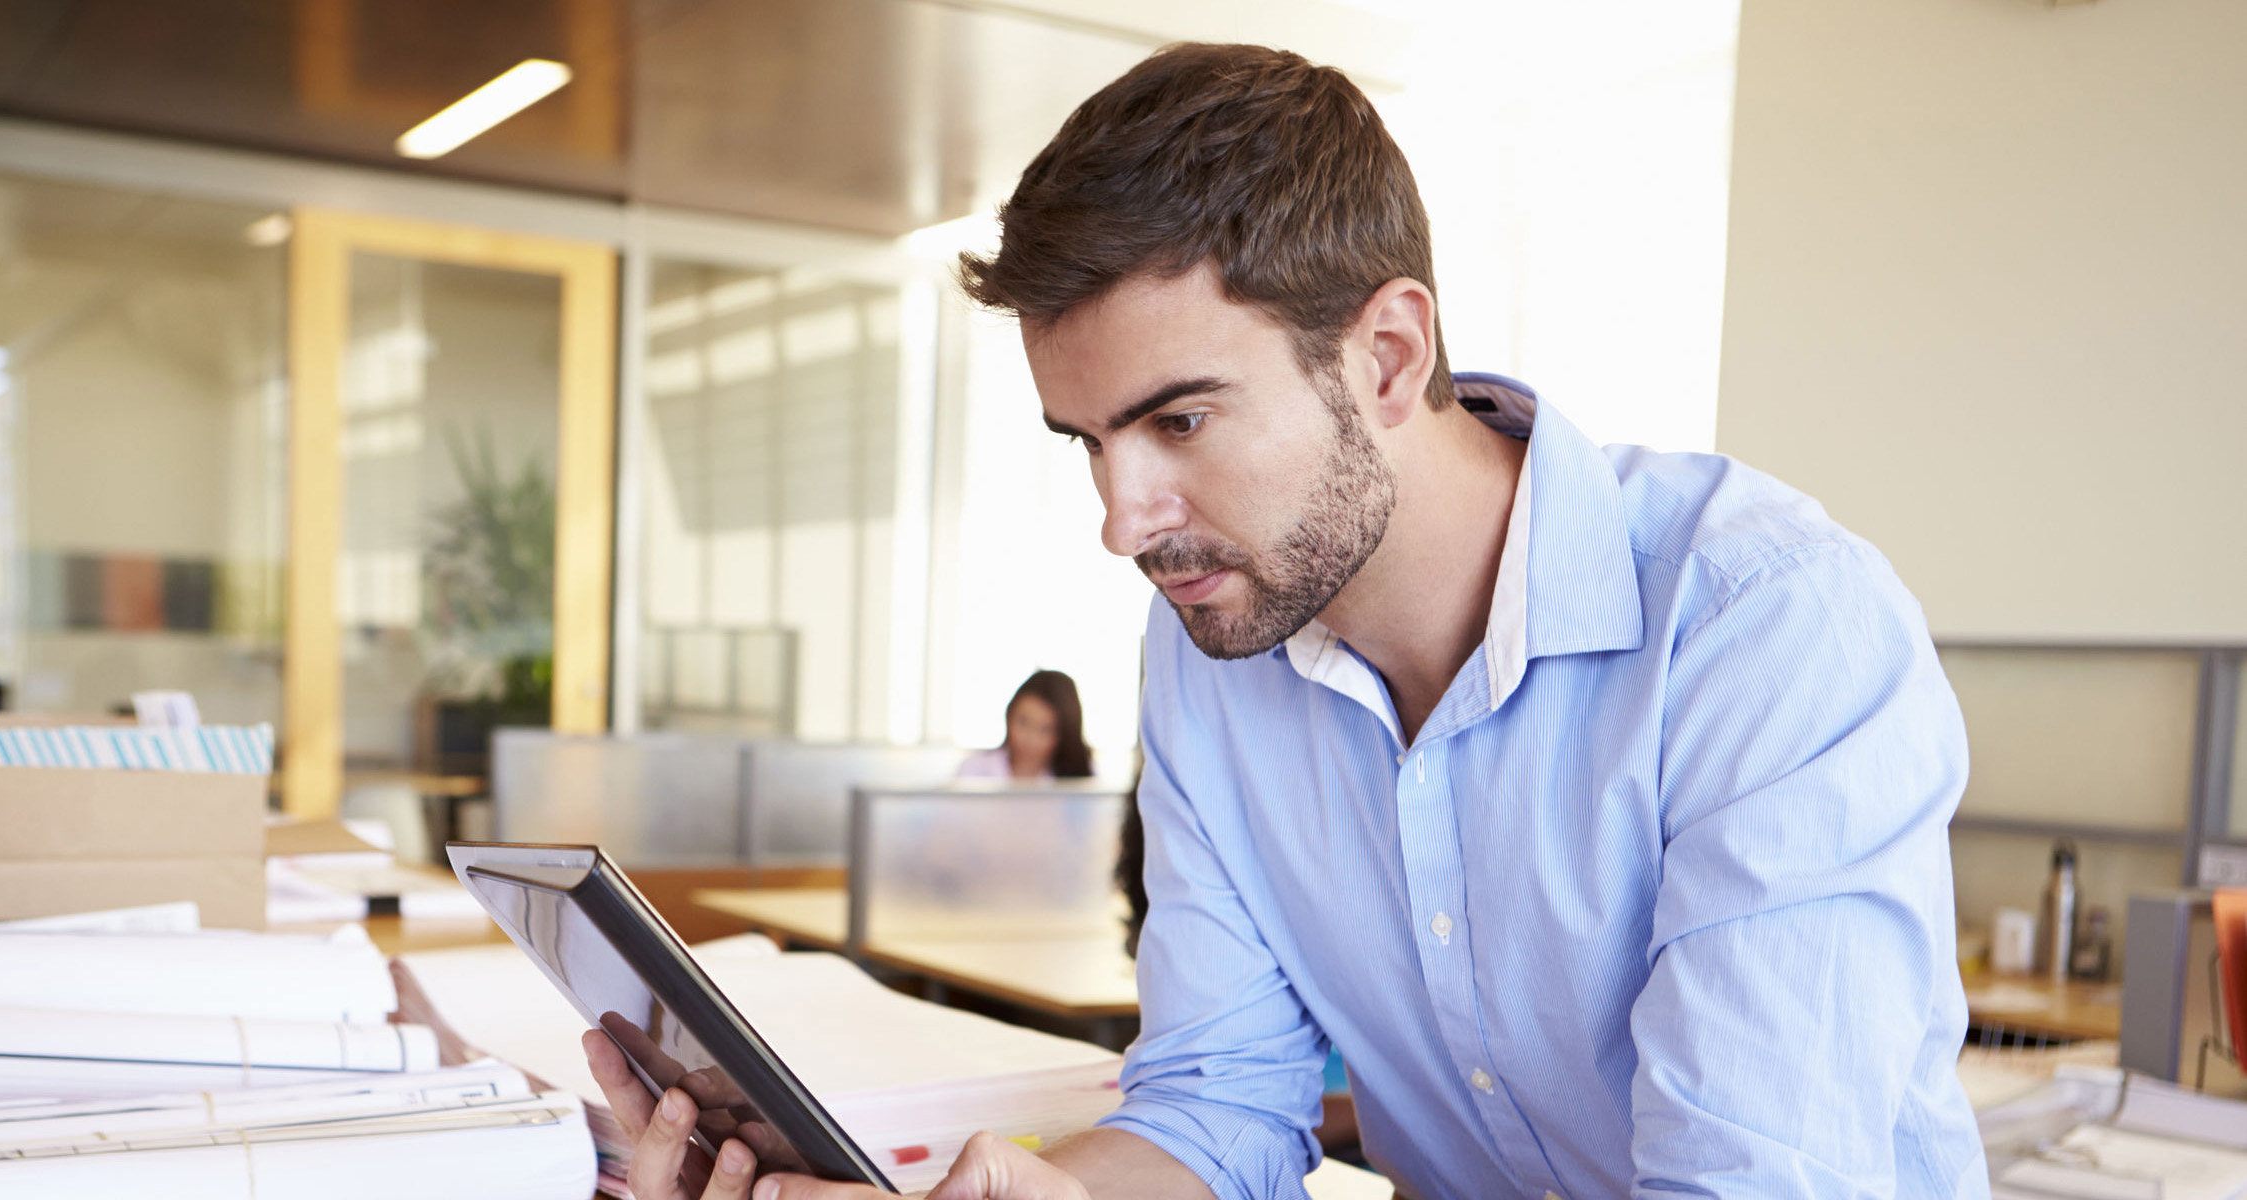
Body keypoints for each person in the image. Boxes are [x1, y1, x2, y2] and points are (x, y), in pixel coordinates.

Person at [593, 41, 1985, 1200]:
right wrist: (1045, 1195)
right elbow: (1216, 1107)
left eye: (1179, 420)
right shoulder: (1218, 646)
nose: (1123, 520)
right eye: (1087, 442)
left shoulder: (1765, 629)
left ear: (1386, 355)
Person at [956, 670, 1096, 782]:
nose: (1030, 739)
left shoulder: (1083, 781)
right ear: (1009, 715)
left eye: (1045, 729)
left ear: (1063, 735)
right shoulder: (972, 771)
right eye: (1023, 722)